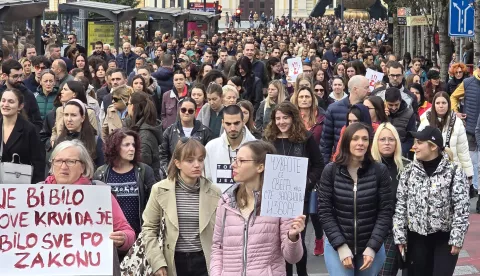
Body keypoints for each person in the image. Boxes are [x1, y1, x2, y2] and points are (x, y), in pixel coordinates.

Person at [210, 140, 305, 275]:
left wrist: (293, 237)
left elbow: (292, 257)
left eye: (241, 161)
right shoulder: (225, 202)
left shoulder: (279, 201)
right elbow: (217, 247)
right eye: (235, 159)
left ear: (260, 167)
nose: (233, 165)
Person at [42, 140, 135, 269]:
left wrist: (123, 239)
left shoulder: (99, 193)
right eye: (58, 161)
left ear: (83, 167)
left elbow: (128, 232)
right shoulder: (37, 194)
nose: (63, 166)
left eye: (70, 161)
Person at [393, 126, 470, 275]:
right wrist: (400, 237)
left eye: (419, 142)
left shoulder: (454, 171)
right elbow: (401, 206)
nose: (414, 146)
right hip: (416, 240)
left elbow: (461, 208)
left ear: (433, 146)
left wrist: (457, 238)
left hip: (444, 240)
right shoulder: (409, 172)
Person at [318, 123, 392, 275]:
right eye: (355, 139)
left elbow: (385, 212)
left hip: (371, 244)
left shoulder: (380, 171)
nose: (360, 143)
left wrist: (372, 247)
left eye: (365, 139)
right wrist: (340, 246)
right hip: (338, 243)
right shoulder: (331, 171)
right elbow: (325, 211)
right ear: (346, 142)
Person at [142, 138, 221, 276]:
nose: (197, 165)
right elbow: (149, 228)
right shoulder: (160, 190)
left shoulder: (214, 192)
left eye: (200, 160)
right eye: (190, 161)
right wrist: (157, 261)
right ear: (177, 163)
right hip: (172, 260)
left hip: (204, 261)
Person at [264, 101, 324, 276]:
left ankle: (302, 273)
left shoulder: (305, 138)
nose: (281, 122)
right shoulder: (268, 139)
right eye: (278, 118)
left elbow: (318, 164)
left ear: (293, 118)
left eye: (285, 118)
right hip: (274, 198)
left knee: (297, 238)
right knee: (280, 240)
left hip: (299, 198)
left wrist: (306, 182)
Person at [94, 128, 157, 235]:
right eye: (126, 145)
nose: (132, 148)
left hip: (139, 235)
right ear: (115, 147)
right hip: (111, 236)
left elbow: (154, 205)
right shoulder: (101, 173)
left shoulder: (144, 171)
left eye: (133, 145)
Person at [371, 123, 410, 276]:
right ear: (376, 142)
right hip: (367, 230)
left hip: (394, 231)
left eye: (391, 139)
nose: (387, 143)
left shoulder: (407, 167)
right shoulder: (366, 167)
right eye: (382, 139)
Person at [418, 92, 473, 180]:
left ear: (448, 104)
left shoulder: (457, 122)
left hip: (452, 169)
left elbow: (463, 151)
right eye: (438, 103)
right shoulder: (425, 121)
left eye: (444, 103)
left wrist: (469, 174)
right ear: (433, 105)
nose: (441, 106)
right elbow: (419, 147)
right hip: (429, 168)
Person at [204, 105, 257, 192]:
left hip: (248, 201)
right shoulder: (211, 147)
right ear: (222, 123)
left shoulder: (255, 147)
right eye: (228, 124)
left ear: (243, 122)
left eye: (236, 123)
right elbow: (207, 180)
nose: (232, 128)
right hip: (218, 202)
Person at [320, 75, 370, 164]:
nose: (369, 90)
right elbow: (326, 142)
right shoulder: (333, 109)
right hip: (341, 161)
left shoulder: (369, 109)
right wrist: (325, 166)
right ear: (355, 89)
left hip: (364, 162)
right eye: (366, 87)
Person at [0, 88, 45, 183]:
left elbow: (38, 162)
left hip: (20, 185)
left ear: (20, 106)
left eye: (11, 102)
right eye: (3, 100)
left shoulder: (29, 129)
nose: (5, 104)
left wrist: (35, 188)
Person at [160, 97, 213, 179]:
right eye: (183, 110)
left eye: (190, 111)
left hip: (199, 177)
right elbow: (162, 155)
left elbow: (209, 156)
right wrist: (169, 172)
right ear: (179, 111)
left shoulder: (205, 132)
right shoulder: (169, 131)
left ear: (195, 112)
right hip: (175, 177)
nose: (186, 113)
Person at [54, 99, 104, 167]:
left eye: (73, 115)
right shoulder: (59, 140)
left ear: (82, 118)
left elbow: (101, 167)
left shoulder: (95, 141)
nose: (69, 119)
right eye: (66, 115)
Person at [126, 92, 162, 181]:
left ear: (134, 107)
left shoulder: (144, 137)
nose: (127, 107)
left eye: (128, 104)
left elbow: (142, 168)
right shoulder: (135, 126)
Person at [51, 81, 99, 145]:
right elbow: (55, 129)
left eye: (65, 89)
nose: (61, 92)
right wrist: (53, 140)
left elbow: (93, 135)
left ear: (74, 94)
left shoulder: (89, 112)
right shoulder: (59, 110)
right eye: (66, 114)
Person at [0, 59, 43, 132]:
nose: (19, 79)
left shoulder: (28, 94)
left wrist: (27, 135)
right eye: (15, 76)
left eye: (21, 76)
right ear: (5, 76)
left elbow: (37, 122)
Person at [385, 87, 417, 156]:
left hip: (400, 153)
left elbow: (410, 138)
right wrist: (383, 116)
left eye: (396, 105)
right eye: (390, 105)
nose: (394, 108)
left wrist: (400, 152)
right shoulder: (381, 112)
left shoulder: (409, 114)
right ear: (385, 102)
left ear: (400, 101)